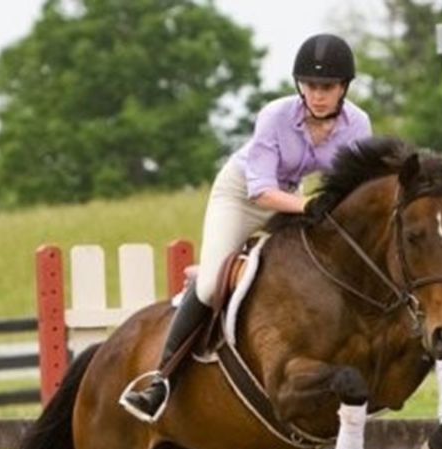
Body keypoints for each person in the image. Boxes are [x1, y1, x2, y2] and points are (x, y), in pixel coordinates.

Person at [120, 33, 373, 420]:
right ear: (298, 85)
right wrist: (309, 204)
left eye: (327, 87)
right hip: (243, 195)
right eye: (310, 85)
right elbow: (261, 193)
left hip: (294, 195)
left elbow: (358, 186)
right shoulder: (275, 116)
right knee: (208, 287)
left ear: (344, 88)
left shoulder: (358, 125)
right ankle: (162, 380)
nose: (318, 94)